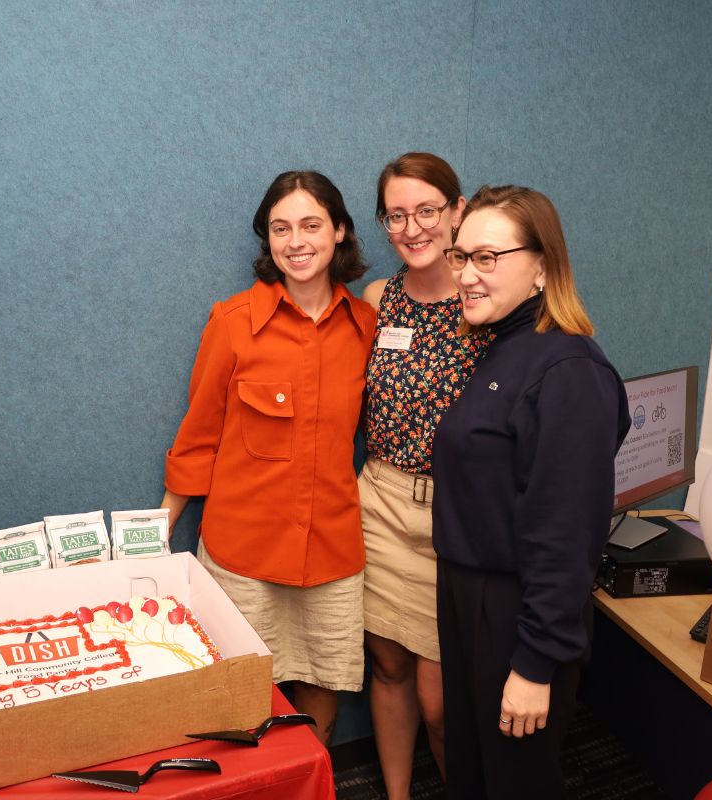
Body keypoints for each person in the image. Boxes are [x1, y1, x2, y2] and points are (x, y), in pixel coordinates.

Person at [161, 171, 376, 745]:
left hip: (330, 550)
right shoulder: (233, 325)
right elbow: (198, 436)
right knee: (238, 695)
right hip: (243, 551)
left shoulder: (366, 329)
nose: (296, 241)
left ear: (339, 232)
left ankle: (307, 772)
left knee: (322, 679)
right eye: (281, 228)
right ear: (268, 240)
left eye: (311, 225)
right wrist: (161, 528)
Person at [432, 185, 631, 798]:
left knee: (515, 782)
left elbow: (566, 535)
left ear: (542, 267)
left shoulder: (568, 371)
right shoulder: (502, 352)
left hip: (516, 612)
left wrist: (535, 662)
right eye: (460, 257)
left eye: (487, 257)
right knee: (473, 771)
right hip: (469, 598)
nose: (467, 274)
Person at [358, 152, 492, 796]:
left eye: (428, 211)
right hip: (380, 502)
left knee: (441, 702)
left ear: (458, 211)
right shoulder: (377, 299)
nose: (413, 229)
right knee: (386, 667)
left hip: (456, 518)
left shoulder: (484, 303)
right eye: (396, 216)